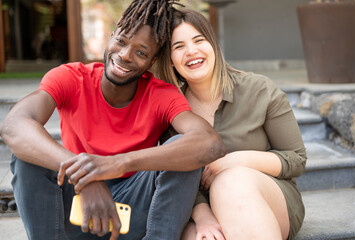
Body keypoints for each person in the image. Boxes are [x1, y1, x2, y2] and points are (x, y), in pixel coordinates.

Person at [0, 1, 226, 239]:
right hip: (76, 207)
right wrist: (86, 175)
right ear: (112, 36)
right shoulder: (70, 78)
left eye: (141, 52)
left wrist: (118, 163)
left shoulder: (160, 95)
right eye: (121, 41)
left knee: (182, 153)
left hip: (134, 208)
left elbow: (209, 143)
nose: (125, 55)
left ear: (151, 62)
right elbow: (14, 126)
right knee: (28, 156)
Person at [156, 9, 307, 240]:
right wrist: (204, 216)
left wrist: (233, 162)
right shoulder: (171, 111)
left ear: (213, 44)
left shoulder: (259, 90)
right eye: (179, 46)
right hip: (198, 210)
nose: (191, 51)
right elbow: (172, 178)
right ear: (171, 60)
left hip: (267, 199)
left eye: (199, 40)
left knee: (230, 181)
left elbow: (296, 159)